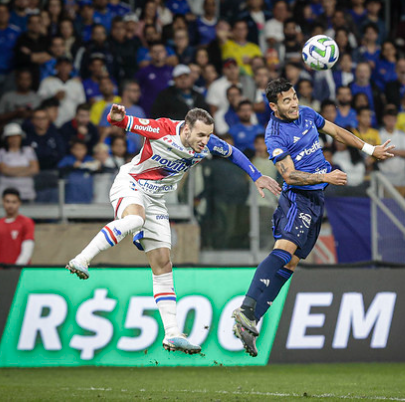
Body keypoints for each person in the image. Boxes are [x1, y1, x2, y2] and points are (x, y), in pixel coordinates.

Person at [65, 105, 281, 355]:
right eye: (201, 136)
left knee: (163, 264)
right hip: (131, 184)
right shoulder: (162, 129)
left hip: (156, 199)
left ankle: (172, 333)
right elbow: (128, 122)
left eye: (209, 135)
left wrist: (256, 176)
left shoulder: (208, 143)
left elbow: (232, 153)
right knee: (135, 220)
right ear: (186, 129)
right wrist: (117, 118)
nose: (205, 141)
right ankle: (81, 259)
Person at [231, 78, 394, 357]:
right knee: (284, 250)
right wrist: (325, 176)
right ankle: (246, 309)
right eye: (286, 100)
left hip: (317, 199)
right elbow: (288, 175)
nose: (294, 103)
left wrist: (369, 149)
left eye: (294, 97)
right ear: (273, 106)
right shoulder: (274, 134)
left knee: (292, 263)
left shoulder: (306, 113)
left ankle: (251, 321)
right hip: (298, 198)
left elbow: (337, 131)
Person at [0, 187, 35, 265]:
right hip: (1, 272)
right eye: (7, 201)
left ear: (19, 203)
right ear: (3, 202)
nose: (10, 205)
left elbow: (26, 252)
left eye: (14, 202)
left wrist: (15, 269)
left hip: (21, 271)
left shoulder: (26, 222)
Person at [0, 123, 39, 202]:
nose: (14, 139)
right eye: (11, 137)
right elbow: (5, 171)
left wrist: (12, 171)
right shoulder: (1, 153)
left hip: (26, 193)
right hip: (7, 195)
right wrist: (26, 169)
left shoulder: (28, 151)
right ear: (6, 139)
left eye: (16, 136)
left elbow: (35, 169)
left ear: (20, 137)